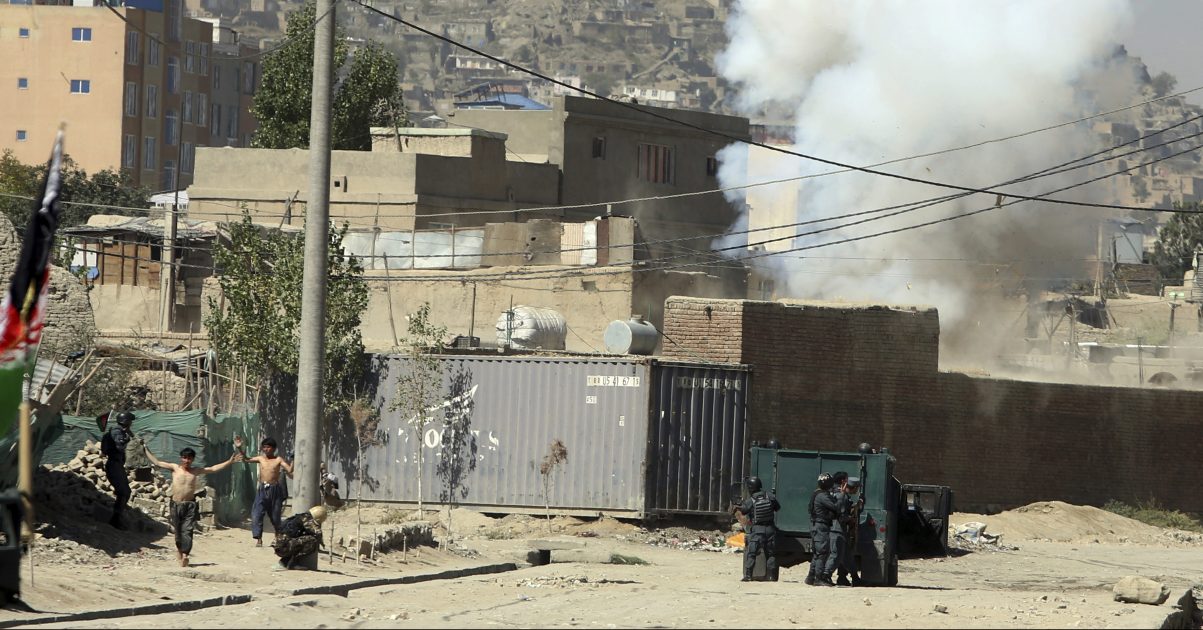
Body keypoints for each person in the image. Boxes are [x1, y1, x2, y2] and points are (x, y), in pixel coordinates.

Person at [143, 445, 241, 567]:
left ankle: (185, 555)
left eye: (189, 458)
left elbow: (213, 468)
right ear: (181, 458)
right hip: (175, 505)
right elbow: (157, 462)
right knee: (178, 532)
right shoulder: (174, 468)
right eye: (184, 458)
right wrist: (145, 449)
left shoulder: (196, 471)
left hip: (190, 505)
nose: (187, 461)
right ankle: (179, 550)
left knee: (187, 531)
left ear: (193, 459)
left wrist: (229, 462)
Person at [234, 435, 294, 547]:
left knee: (275, 516)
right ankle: (259, 539)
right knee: (257, 514)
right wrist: (239, 448)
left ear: (274, 448)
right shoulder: (261, 459)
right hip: (262, 490)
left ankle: (277, 534)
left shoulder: (278, 460)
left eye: (268, 447)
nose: (265, 449)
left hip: (275, 490)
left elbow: (290, 469)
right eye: (264, 447)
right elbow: (246, 459)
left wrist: (294, 459)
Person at [736, 476, 780, 582]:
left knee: (752, 553)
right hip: (770, 529)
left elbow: (744, 511)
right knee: (771, 554)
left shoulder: (750, 500)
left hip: (757, 530)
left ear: (750, 488)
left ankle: (748, 575)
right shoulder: (770, 496)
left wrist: (740, 505)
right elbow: (777, 508)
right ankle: (771, 576)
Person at [101, 411, 134, 529]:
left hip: (118, 465)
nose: (131, 424)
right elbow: (119, 445)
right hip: (114, 465)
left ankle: (117, 518)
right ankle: (115, 520)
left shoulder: (120, 431)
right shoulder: (117, 431)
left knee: (126, 492)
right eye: (130, 421)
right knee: (123, 492)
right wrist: (128, 438)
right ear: (126, 422)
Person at [832, 475, 864, 586]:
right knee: (836, 555)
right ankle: (824, 576)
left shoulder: (844, 496)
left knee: (846, 556)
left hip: (841, 530)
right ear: (853, 487)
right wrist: (851, 518)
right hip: (837, 530)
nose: (857, 490)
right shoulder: (842, 496)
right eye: (857, 488)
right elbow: (841, 515)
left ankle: (851, 577)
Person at [806, 472, 837, 586]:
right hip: (821, 526)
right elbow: (835, 507)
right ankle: (818, 578)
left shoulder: (817, 493)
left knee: (817, 553)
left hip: (817, 526)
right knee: (822, 553)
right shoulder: (822, 496)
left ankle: (810, 577)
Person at [273, 505, 327, 570]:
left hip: (279, 545)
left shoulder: (299, 517)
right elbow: (317, 533)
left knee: (300, 541)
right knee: (312, 540)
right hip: (284, 547)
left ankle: (290, 563)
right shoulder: (307, 519)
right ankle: (286, 562)